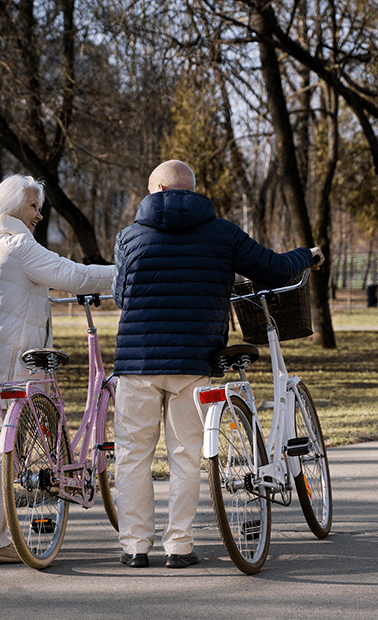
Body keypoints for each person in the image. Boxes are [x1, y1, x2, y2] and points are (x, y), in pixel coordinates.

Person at [112, 159, 324, 569]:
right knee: (186, 455)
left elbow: (122, 296)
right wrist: (307, 254)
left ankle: (135, 547)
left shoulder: (129, 236)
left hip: (136, 362)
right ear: (191, 190)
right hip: (194, 359)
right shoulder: (222, 232)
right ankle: (179, 546)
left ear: (155, 188)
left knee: (132, 455)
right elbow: (273, 268)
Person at [0, 174, 116, 564]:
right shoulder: (19, 246)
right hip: (3, 366)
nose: (38, 214)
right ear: (11, 205)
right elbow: (76, 276)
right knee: (1, 449)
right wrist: (124, 274)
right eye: (33, 206)